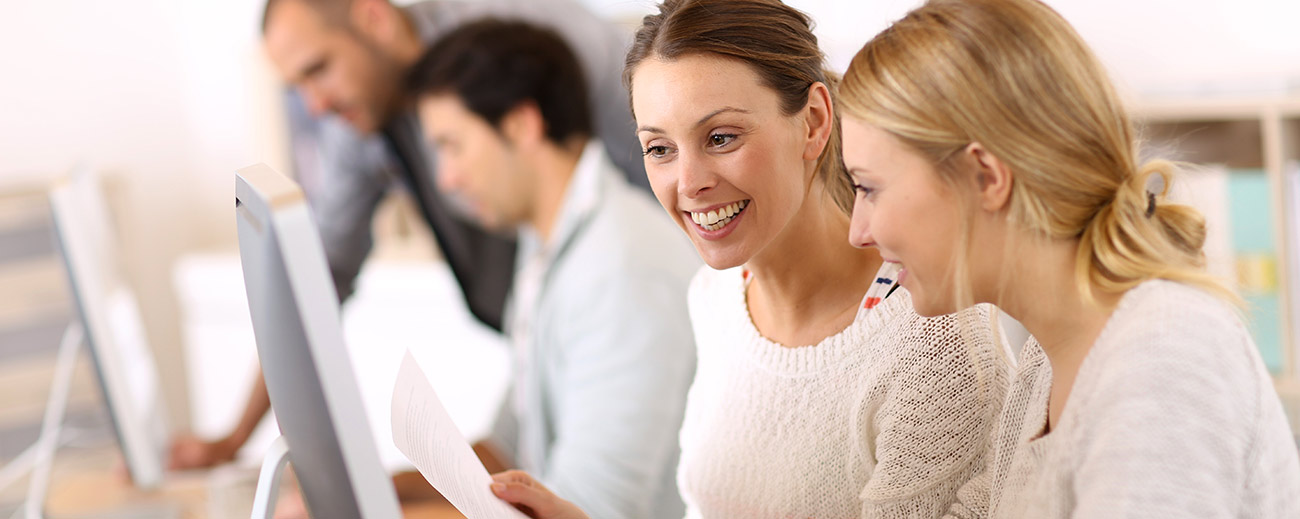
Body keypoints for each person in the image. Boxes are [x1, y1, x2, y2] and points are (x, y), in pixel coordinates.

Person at [490, 1, 1009, 517]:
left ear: (813, 122)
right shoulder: (718, 298)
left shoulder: (934, 341)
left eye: (721, 138)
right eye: (660, 149)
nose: (689, 183)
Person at [834, 0, 1300, 516]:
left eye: (869, 188)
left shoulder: (1162, 357)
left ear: (985, 177)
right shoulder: (1047, 360)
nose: (858, 233)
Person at [169, 0, 646, 470]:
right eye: (299, 87)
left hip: (632, 305)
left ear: (373, 17)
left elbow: (662, 153)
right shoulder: (358, 123)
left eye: (319, 69)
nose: (315, 105)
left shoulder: (526, 33)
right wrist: (236, 438)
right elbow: (318, 279)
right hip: (546, 327)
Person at [410, 19, 698, 519]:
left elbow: (585, 507)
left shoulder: (620, 265)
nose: (446, 179)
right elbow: (508, 452)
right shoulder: (547, 244)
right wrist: (370, 489)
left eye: (452, 145)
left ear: (522, 124)